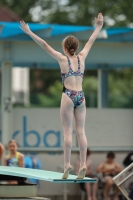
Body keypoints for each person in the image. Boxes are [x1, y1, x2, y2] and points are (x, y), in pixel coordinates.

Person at [20, 13, 104, 179]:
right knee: (81, 132)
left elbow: (44, 45)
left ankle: (67, 165)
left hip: (68, 95)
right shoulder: (82, 57)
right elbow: (91, 41)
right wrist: (99, 26)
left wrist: (29, 32)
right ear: (76, 47)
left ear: (65, 48)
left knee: (67, 132)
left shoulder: (62, 59)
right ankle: (84, 164)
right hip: (81, 96)